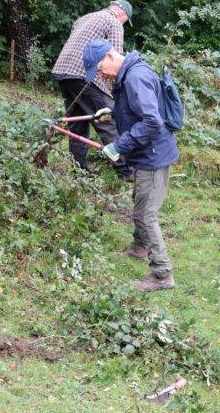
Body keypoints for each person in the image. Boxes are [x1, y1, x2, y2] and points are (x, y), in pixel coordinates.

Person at [83, 39, 179, 292]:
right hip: (147, 152)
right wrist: (111, 109)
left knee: (147, 214)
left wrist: (118, 146)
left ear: (110, 56)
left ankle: (162, 274)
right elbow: (134, 106)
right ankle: (139, 248)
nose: (101, 74)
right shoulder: (129, 74)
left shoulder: (134, 76)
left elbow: (151, 121)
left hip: (154, 155)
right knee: (140, 202)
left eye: (100, 68)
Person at [51, 0, 135, 179]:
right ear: (123, 15)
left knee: (77, 123)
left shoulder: (85, 18)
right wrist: (117, 93)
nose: (124, 24)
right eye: (126, 21)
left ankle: (78, 169)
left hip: (63, 72)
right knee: (107, 120)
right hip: (84, 75)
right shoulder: (114, 23)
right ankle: (127, 171)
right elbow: (115, 59)